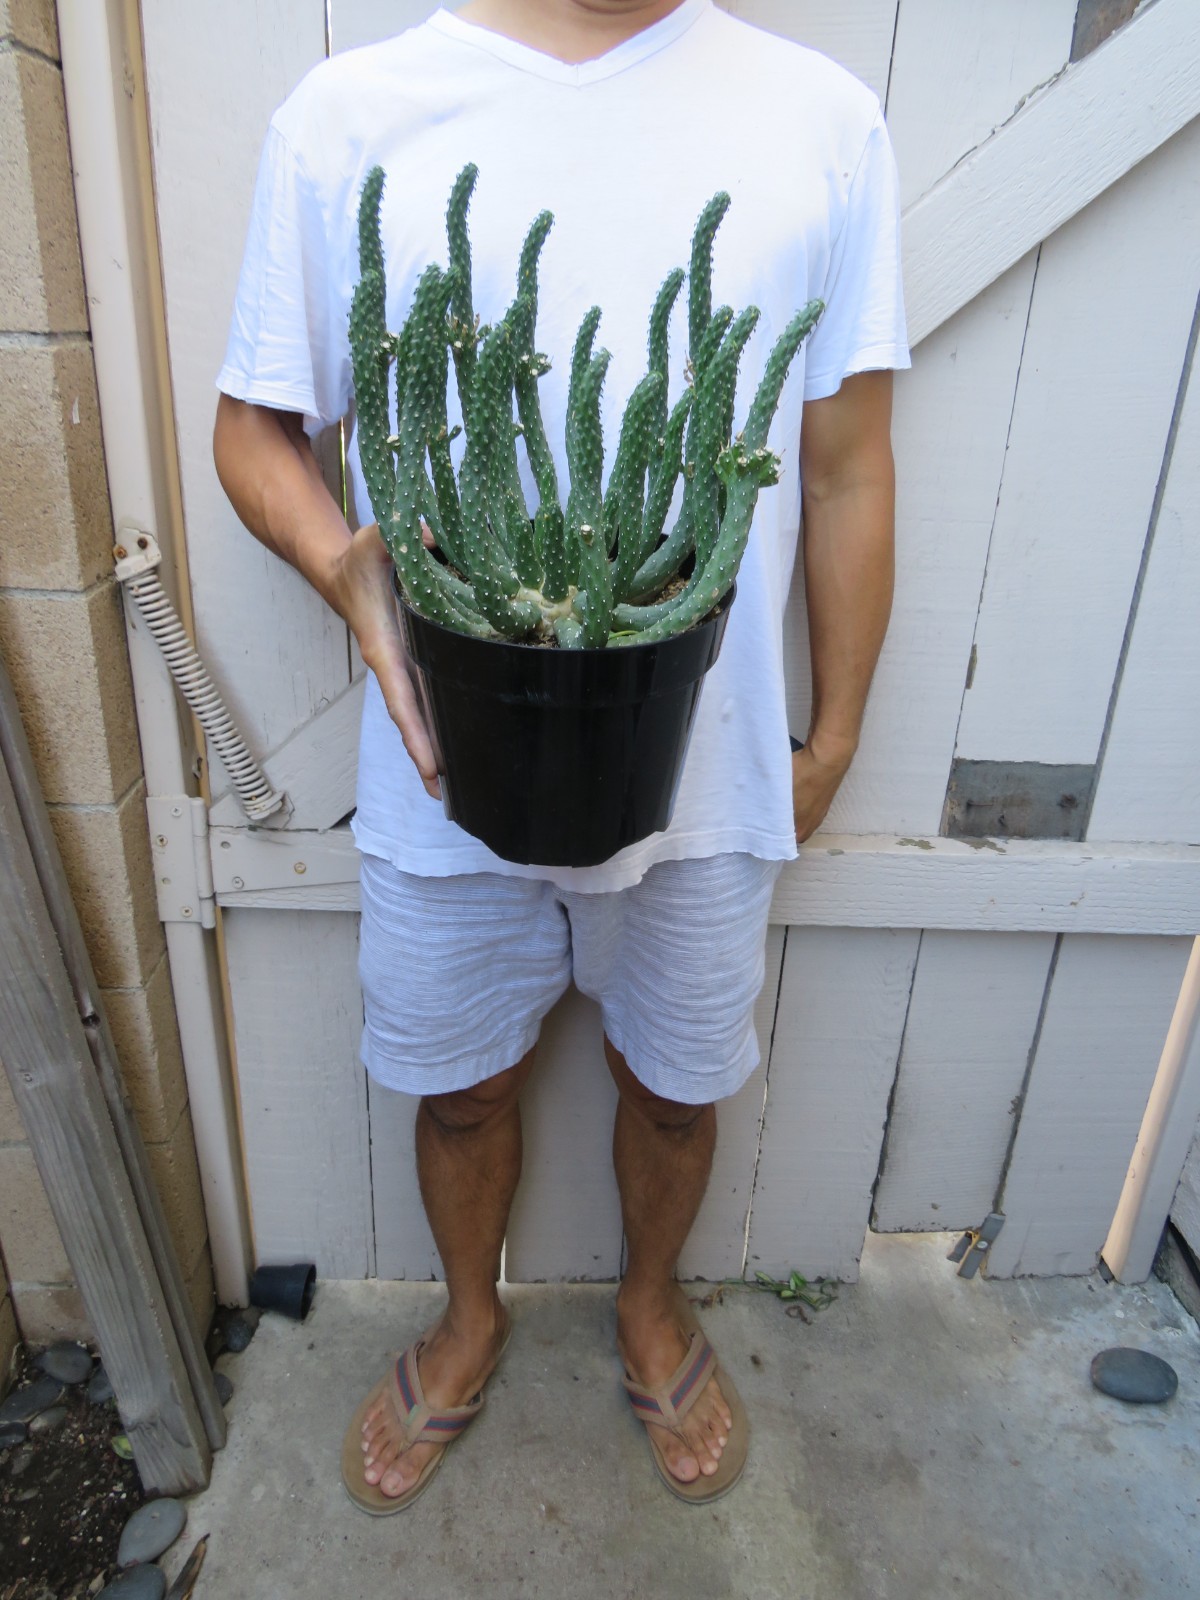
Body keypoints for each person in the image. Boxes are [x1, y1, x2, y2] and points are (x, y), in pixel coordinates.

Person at [213, 0, 906, 1510]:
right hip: (442, 752)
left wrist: (835, 736)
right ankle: (471, 1318)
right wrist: (349, 570)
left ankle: (649, 1305)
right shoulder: (350, 117)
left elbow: (849, 467)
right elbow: (252, 430)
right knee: (461, 1087)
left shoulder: (823, 122)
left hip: (705, 757)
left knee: (676, 1087)